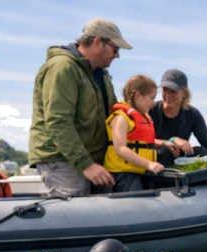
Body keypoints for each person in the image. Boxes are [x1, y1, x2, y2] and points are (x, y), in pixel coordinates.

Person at [28, 18, 132, 196]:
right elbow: (58, 122)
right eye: (115, 49)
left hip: (93, 157)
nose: (117, 55)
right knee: (75, 207)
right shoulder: (62, 67)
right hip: (62, 157)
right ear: (98, 42)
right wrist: (87, 165)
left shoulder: (102, 75)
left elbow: (115, 114)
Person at [102, 75, 165, 192]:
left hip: (140, 171)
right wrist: (149, 164)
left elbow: (142, 142)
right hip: (123, 175)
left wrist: (165, 144)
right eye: (151, 98)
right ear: (137, 95)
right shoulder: (121, 118)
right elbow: (120, 148)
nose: (153, 103)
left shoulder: (143, 117)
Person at [149, 69, 207, 167]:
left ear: (184, 93)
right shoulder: (150, 110)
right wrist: (171, 141)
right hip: (155, 162)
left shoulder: (193, 114)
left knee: (203, 152)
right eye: (165, 89)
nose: (168, 94)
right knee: (164, 152)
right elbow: (138, 141)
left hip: (180, 160)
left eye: (173, 91)